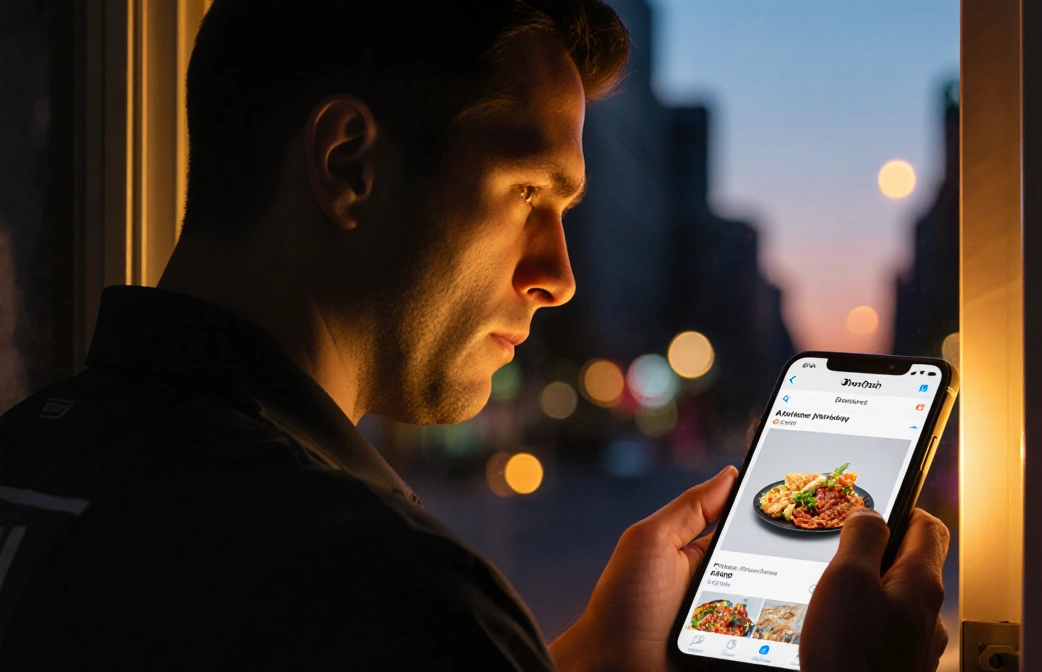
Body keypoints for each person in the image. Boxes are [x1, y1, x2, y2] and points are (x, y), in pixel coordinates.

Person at [0, 1, 949, 669]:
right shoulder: (383, 593)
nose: (558, 275)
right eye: (529, 194)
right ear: (349, 166)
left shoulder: (34, 447)